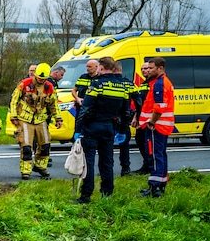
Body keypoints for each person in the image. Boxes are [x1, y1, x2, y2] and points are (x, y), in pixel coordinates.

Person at [73, 56, 132, 204]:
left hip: (93, 126)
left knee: (89, 162)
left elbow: (85, 109)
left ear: (101, 68)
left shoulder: (97, 85)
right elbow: (126, 111)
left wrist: (78, 129)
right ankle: (107, 193)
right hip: (110, 127)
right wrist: (123, 130)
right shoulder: (122, 87)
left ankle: (86, 195)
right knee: (107, 162)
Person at [9, 63, 60, 179]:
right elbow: (14, 100)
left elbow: (54, 104)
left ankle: (40, 166)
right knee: (26, 146)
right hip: (25, 119)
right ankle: (25, 170)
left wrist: (58, 118)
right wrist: (14, 116)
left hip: (41, 119)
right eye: (39, 78)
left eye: (43, 79)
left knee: (45, 144)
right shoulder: (25, 84)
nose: (40, 80)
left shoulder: (49, 87)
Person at [137, 57, 175, 197]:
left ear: (160, 68)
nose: (148, 70)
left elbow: (159, 108)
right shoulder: (162, 82)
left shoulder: (159, 84)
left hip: (157, 126)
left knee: (154, 156)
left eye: (151, 68)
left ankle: (155, 188)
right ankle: (161, 184)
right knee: (160, 154)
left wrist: (151, 122)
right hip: (162, 126)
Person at [122, 71, 151, 176]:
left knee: (147, 142)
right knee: (140, 140)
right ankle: (147, 164)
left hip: (150, 119)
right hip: (142, 117)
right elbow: (140, 103)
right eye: (143, 69)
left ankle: (150, 166)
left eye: (147, 68)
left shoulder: (153, 84)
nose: (144, 71)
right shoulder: (143, 84)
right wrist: (136, 116)